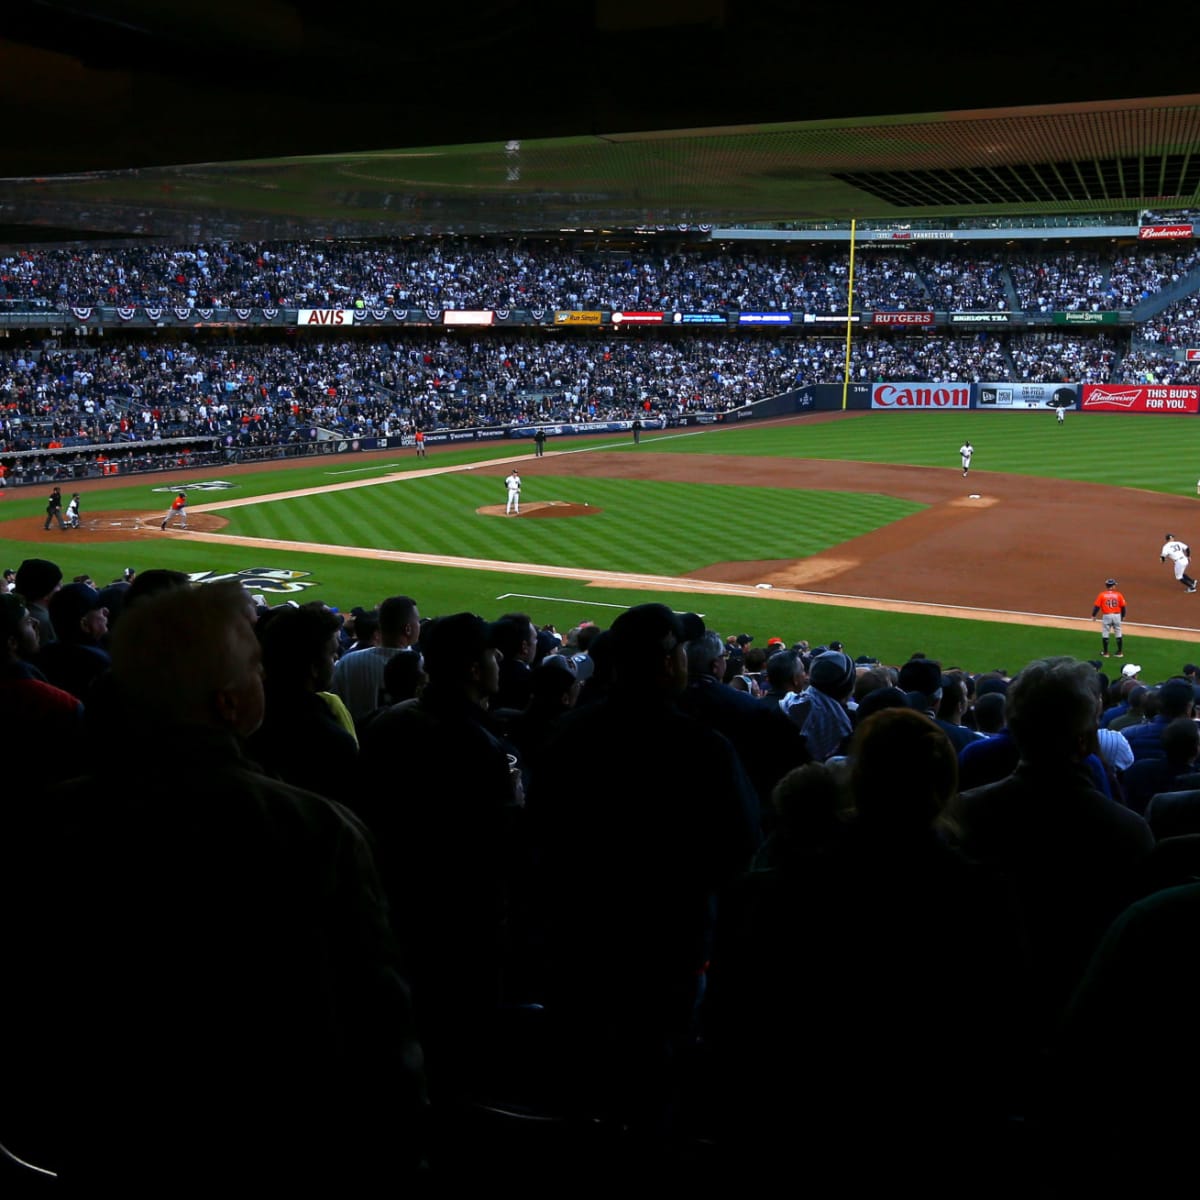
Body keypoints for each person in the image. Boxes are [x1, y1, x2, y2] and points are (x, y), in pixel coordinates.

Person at [1092, 577, 1127, 657]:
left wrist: (1093, 615)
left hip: (1107, 616)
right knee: (1118, 632)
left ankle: (1106, 653)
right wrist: (1123, 615)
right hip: (1117, 615)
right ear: (1113, 586)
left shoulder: (1102, 595)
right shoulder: (1118, 595)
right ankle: (1119, 652)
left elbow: (1097, 606)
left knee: (1105, 633)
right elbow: (1123, 606)